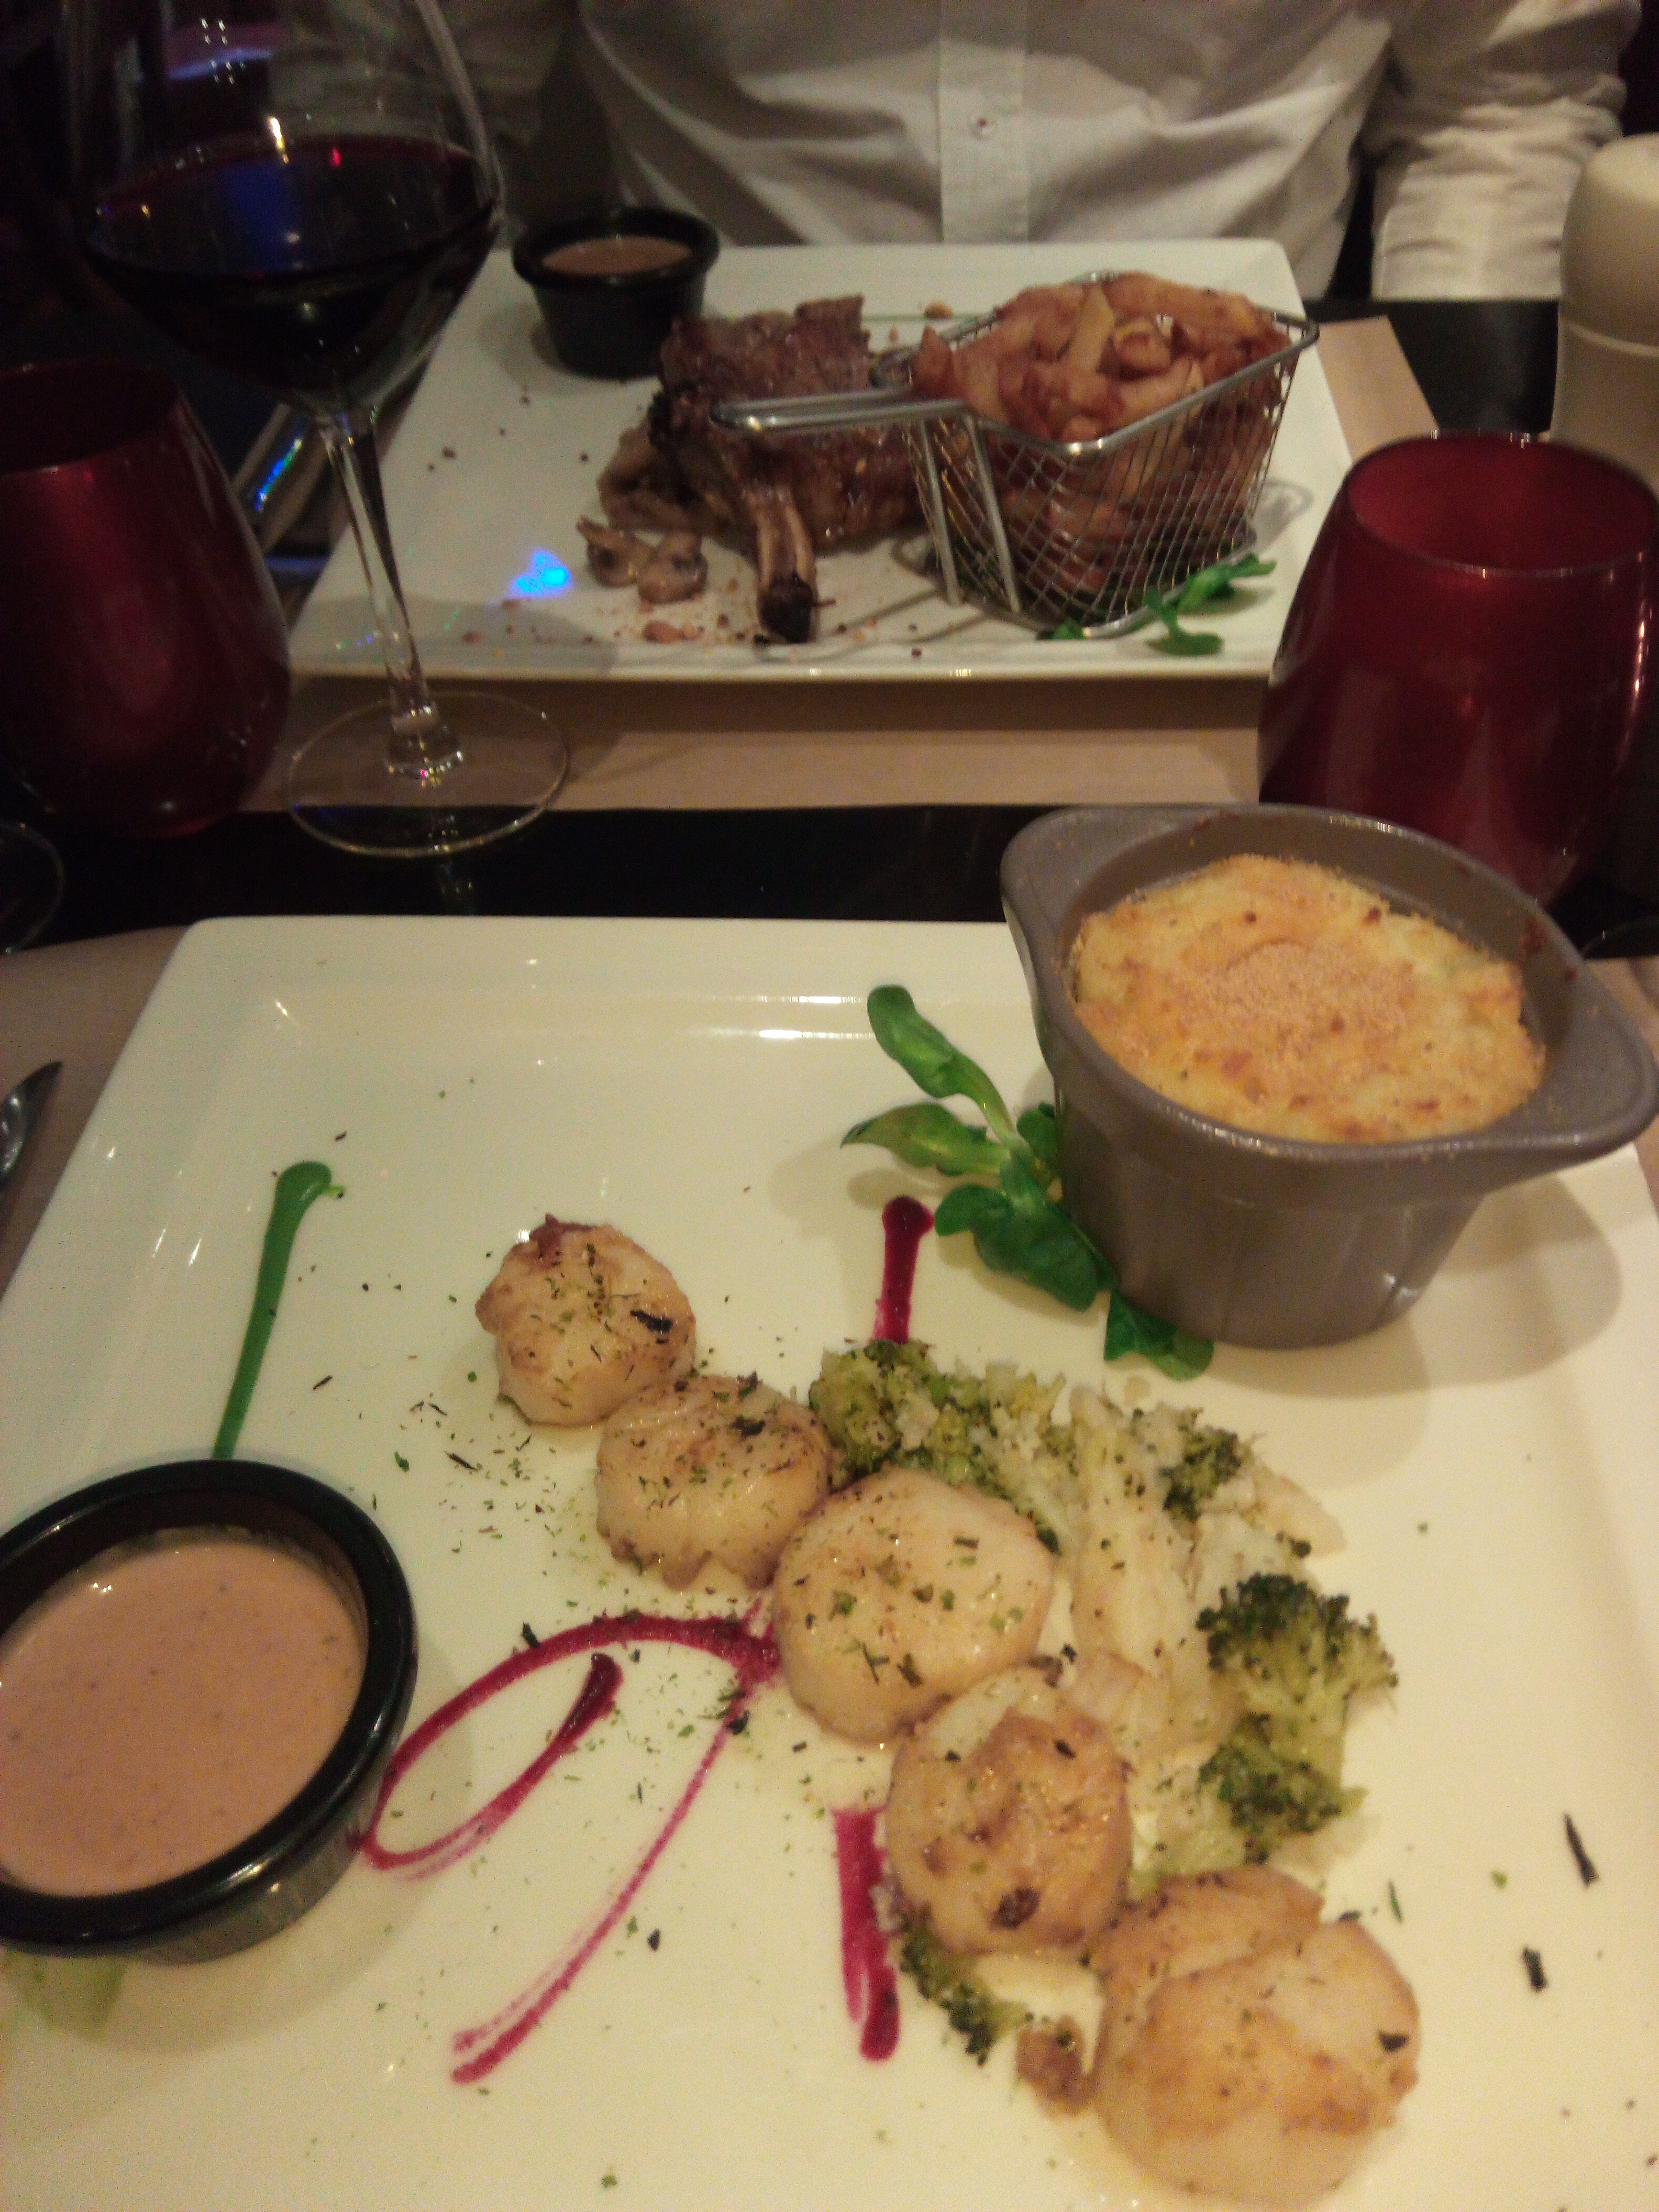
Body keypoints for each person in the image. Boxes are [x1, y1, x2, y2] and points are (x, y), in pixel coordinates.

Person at [455, 0, 1640, 297]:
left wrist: (1443, 490)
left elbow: (1503, 91)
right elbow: (435, 86)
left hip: (1267, 460)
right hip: (681, 440)